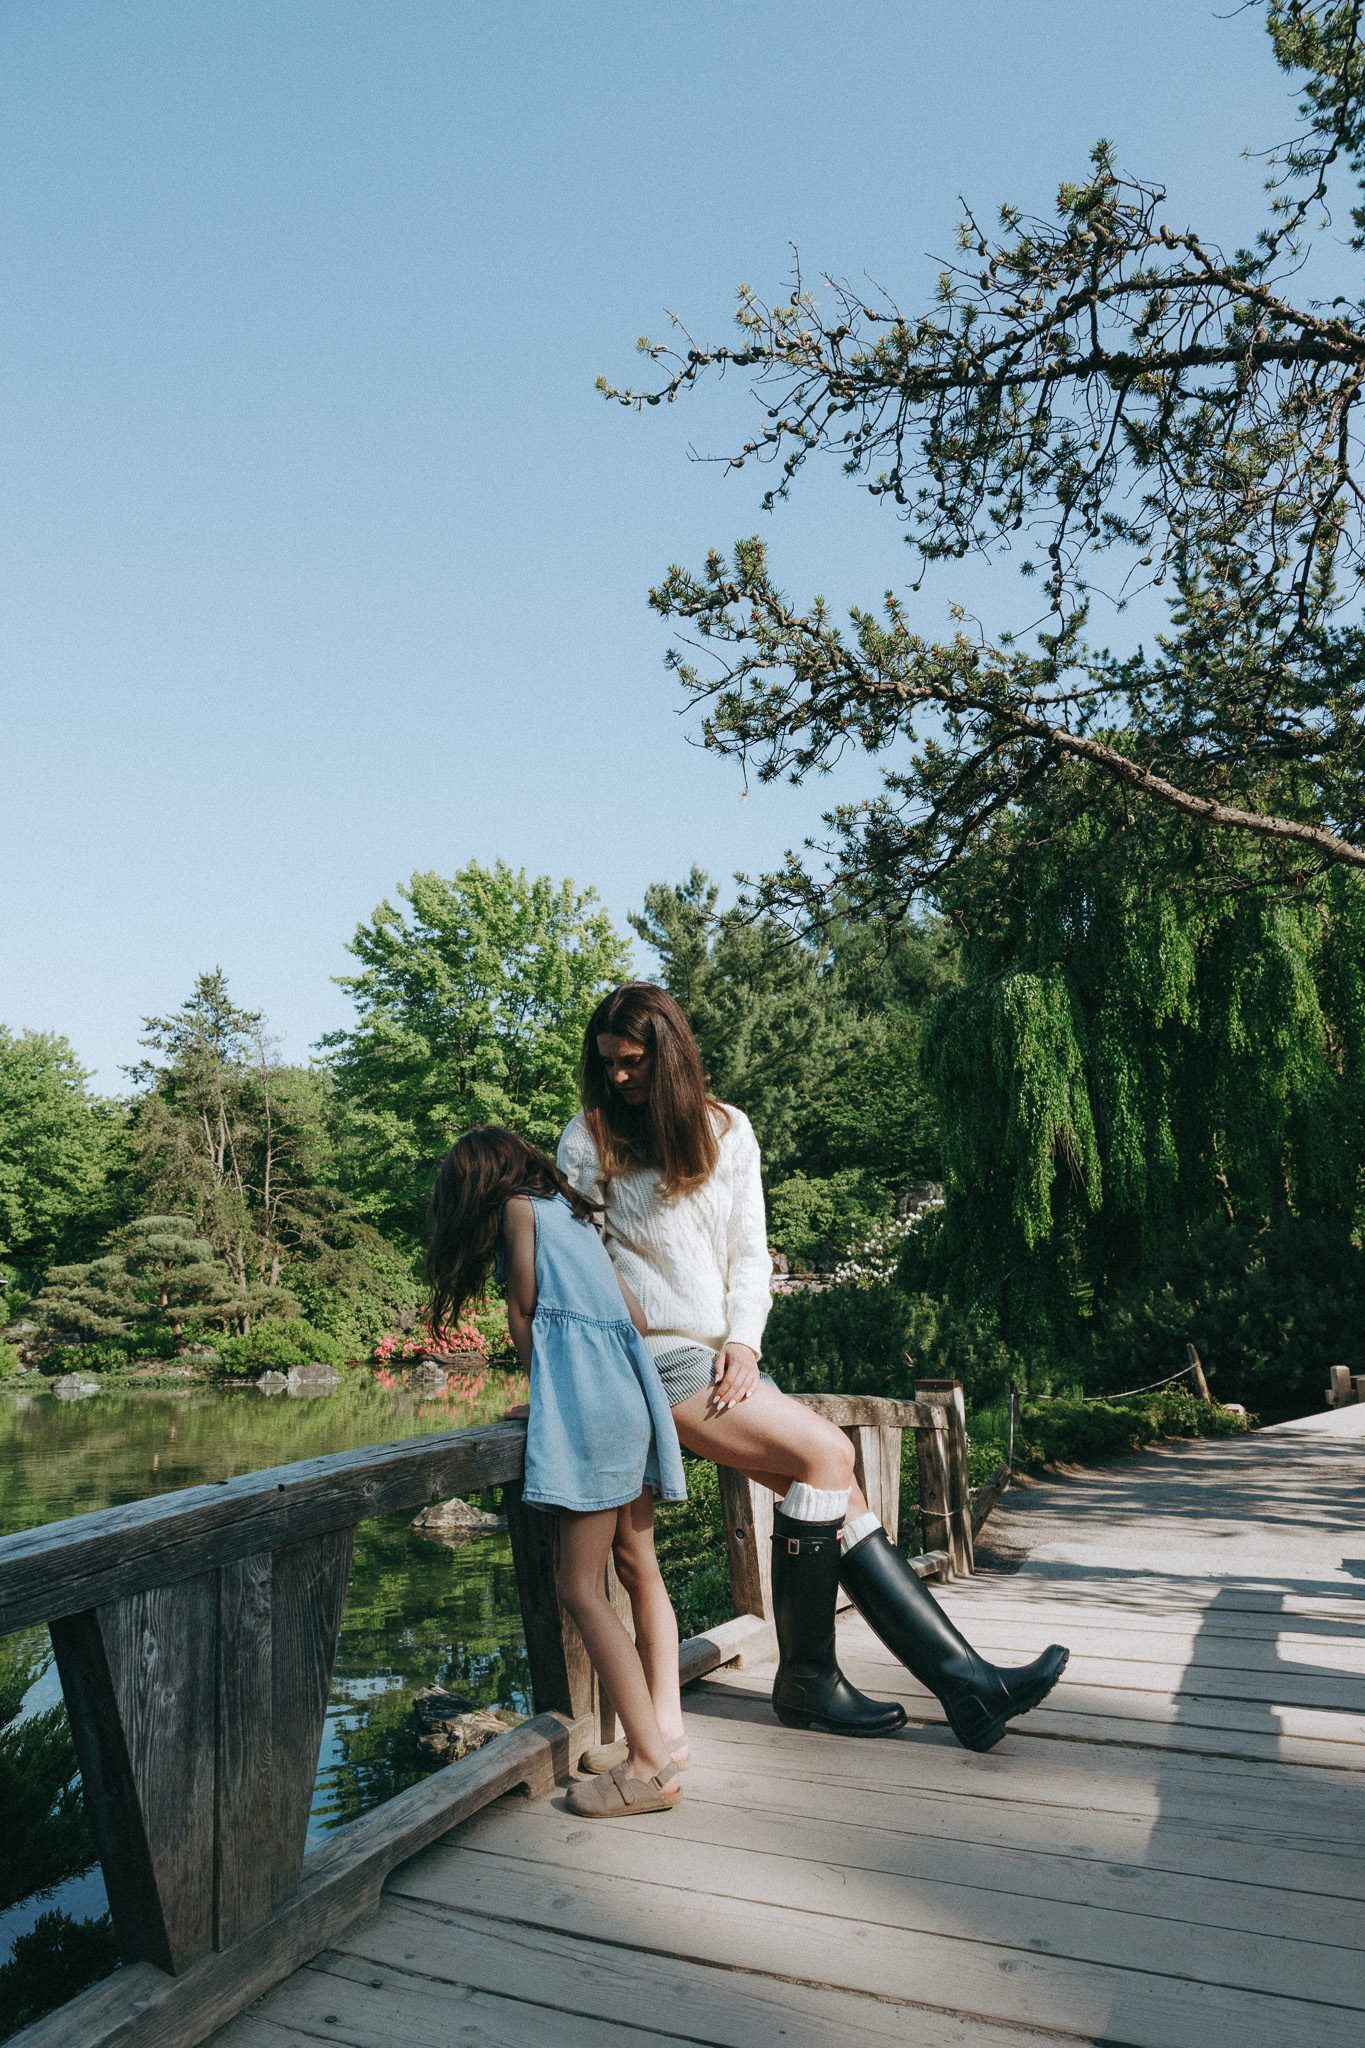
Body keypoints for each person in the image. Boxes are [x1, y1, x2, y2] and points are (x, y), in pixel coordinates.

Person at [558, 983, 1068, 1754]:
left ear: (669, 1058)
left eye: (632, 1063)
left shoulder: (726, 1129)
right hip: (650, 1359)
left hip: (720, 1354)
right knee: (829, 1454)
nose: (619, 1078)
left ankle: (967, 1687)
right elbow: (582, 1274)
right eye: (608, 1065)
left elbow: (745, 1254)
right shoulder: (586, 1139)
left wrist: (746, 1342)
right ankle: (808, 1680)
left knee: (838, 1491)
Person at [427, 1124, 689, 1818]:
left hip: (591, 1412)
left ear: (480, 1181)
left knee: (579, 1587)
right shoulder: (574, 1216)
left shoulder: (518, 1209)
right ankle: (661, 1737)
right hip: (630, 1402)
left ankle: (649, 1769)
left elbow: (523, 1310)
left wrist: (548, 1397)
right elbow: (631, 1316)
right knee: (638, 1567)